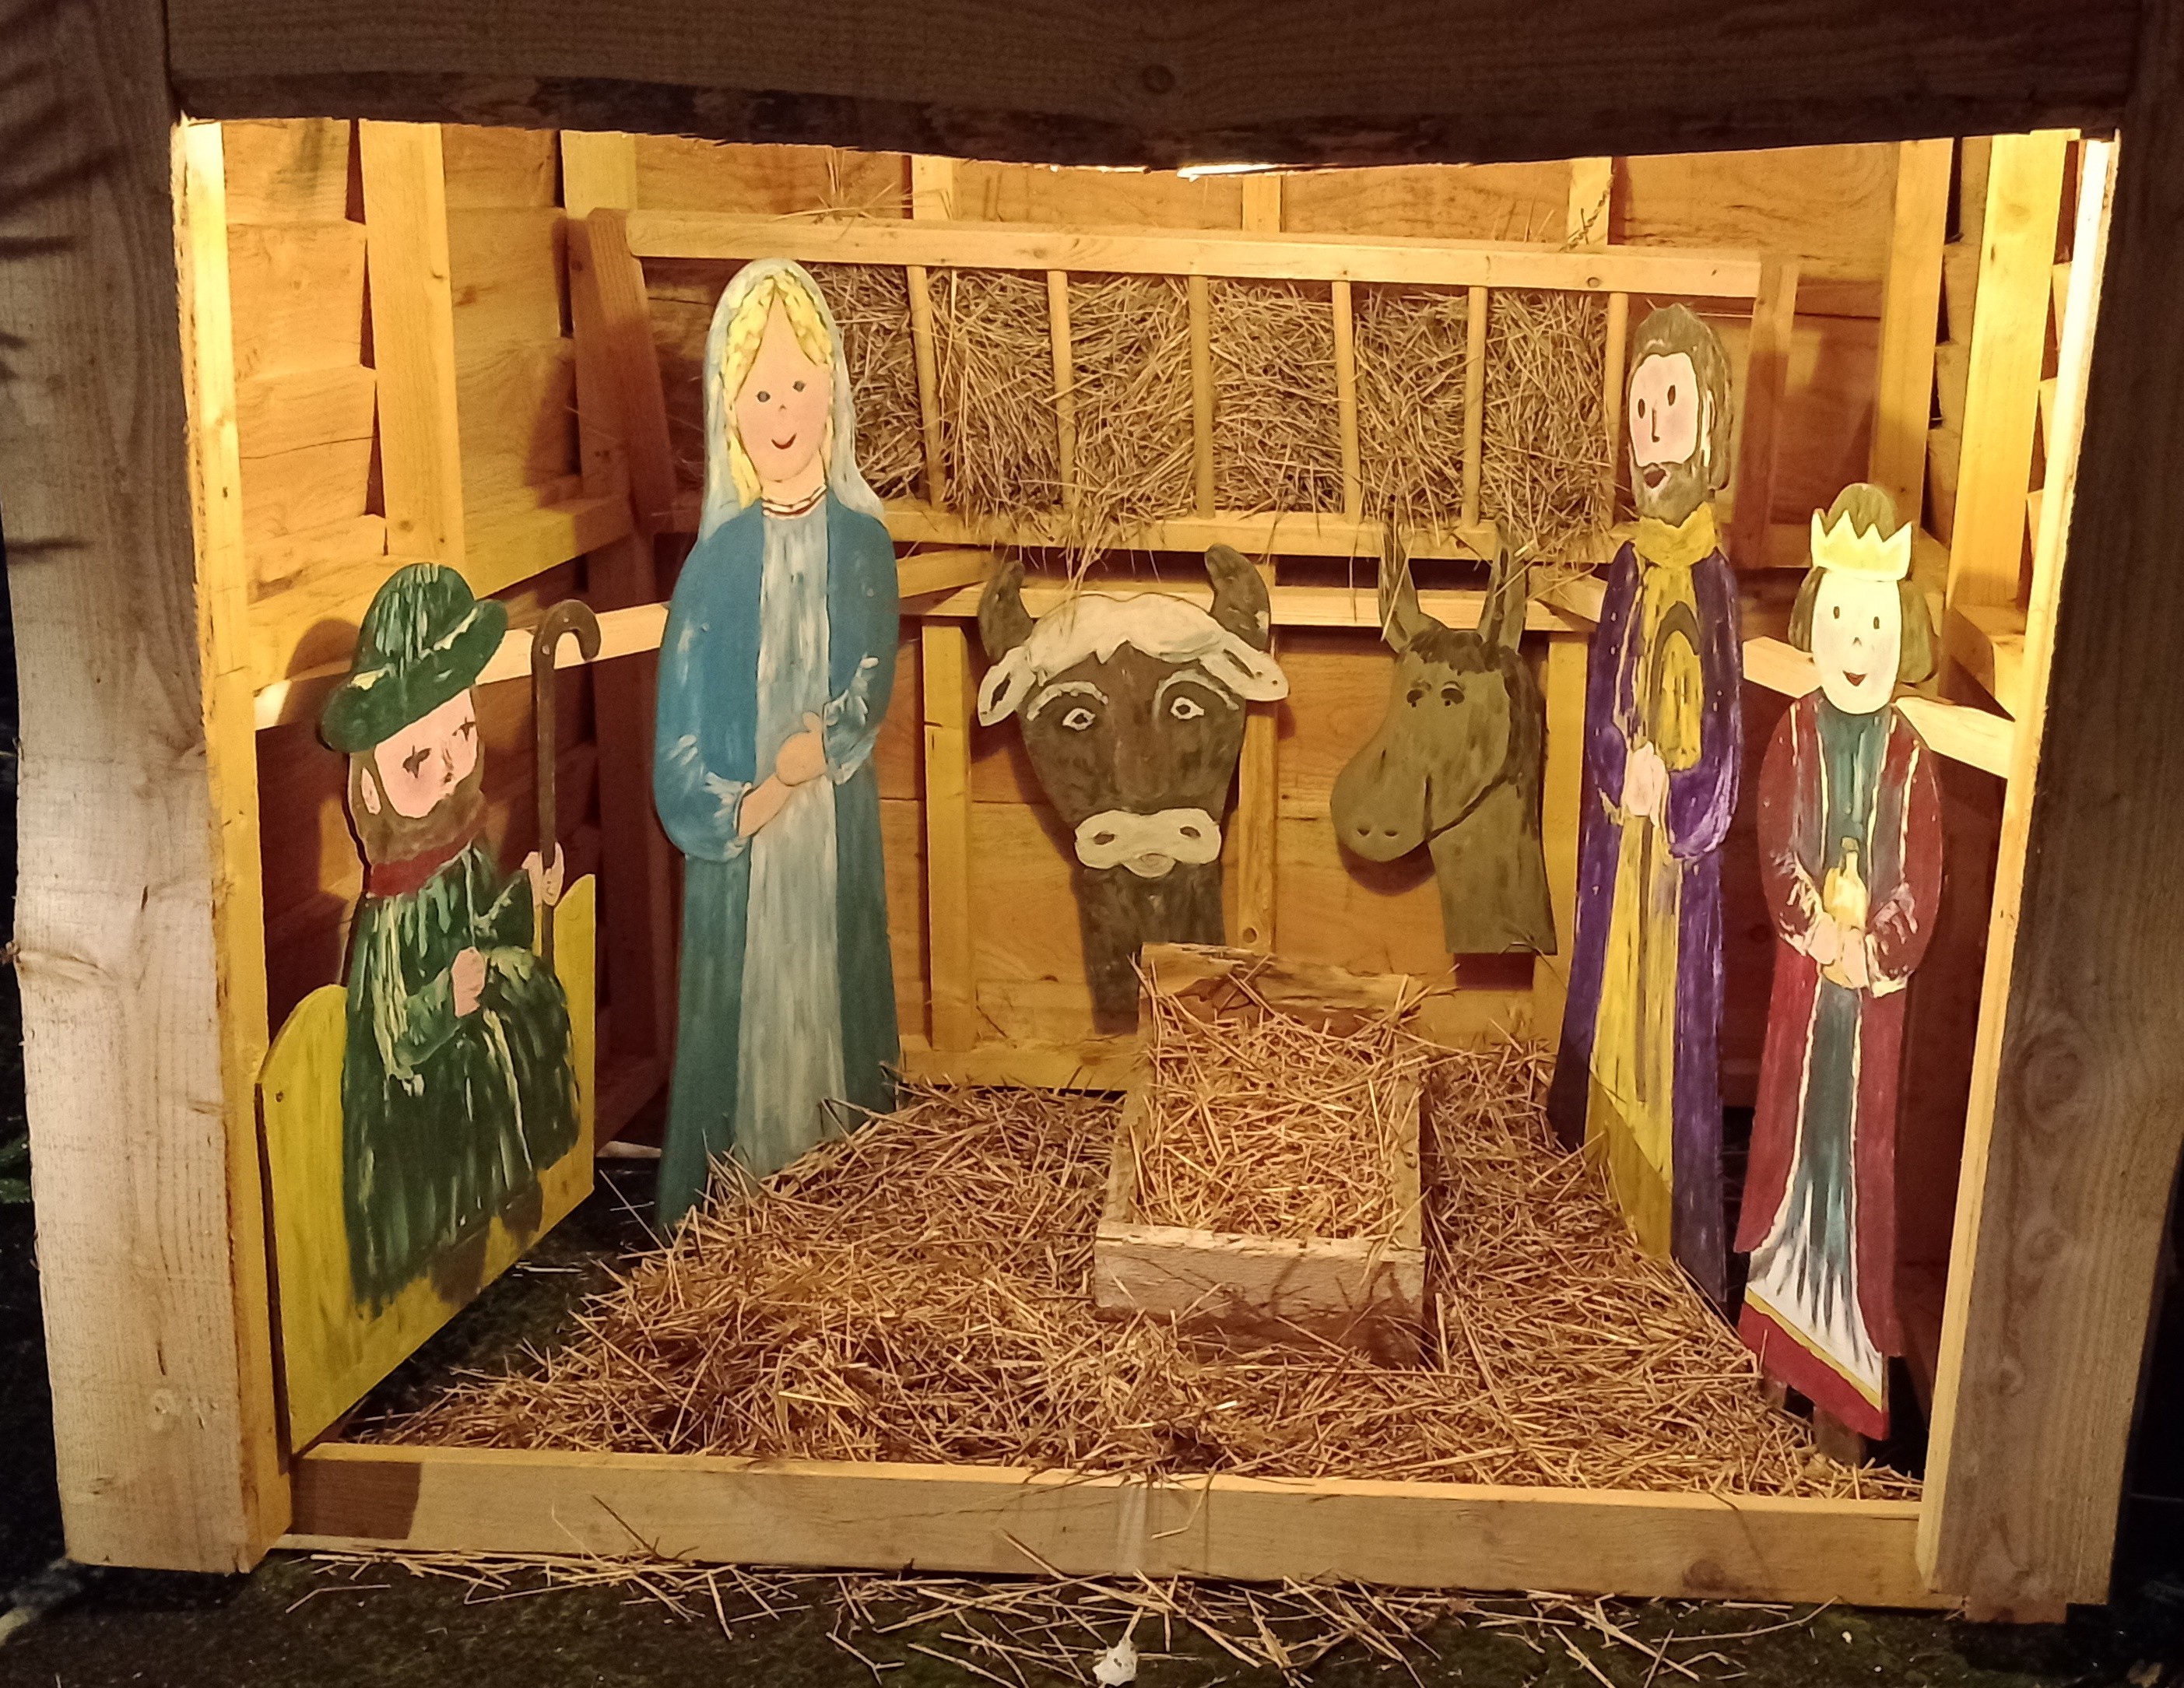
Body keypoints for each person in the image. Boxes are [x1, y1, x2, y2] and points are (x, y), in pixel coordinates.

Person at [652, 259, 900, 1227]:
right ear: (731, 410)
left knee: (830, 995)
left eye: (799, 383)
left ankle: (847, 1192)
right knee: (749, 1011)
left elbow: (871, 668)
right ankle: (738, 1204)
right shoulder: (715, 566)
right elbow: (679, 723)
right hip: (748, 838)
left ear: (831, 393)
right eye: (761, 392)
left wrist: (823, 745)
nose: (783, 410)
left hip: (830, 822)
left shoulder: (861, 542)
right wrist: (747, 802)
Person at [1547, 304, 1744, 1304]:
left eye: (1671, 403)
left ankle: (1666, 1229)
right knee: (1606, 1016)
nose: (1652, 431)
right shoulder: (1628, 569)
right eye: (1639, 408)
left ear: (1709, 422)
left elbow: (1728, 727)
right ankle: (1590, 1201)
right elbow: (1601, 696)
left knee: (1667, 1031)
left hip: (1676, 865)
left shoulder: (1714, 582)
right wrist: (1615, 761)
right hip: (1620, 849)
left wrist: (1686, 794)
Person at [1737, 484, 1943, 1442]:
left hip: (1870, 1001)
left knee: (1857, 1163)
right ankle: (1772, 1351)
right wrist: (1813, 925)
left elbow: (1922, 877)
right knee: (1787, 1158)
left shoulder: (1908, 754)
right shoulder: (1795, 733)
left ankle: (1843, 1387)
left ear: (1901, 635)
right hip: (1806, 982)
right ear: (1813, 623)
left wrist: (1873, 947)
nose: (1855, 646)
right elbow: (1775, 840)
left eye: (1873, 627)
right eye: (1840, 623)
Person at [321, 563, 578, 1310]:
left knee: (512, 1036)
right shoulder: (389, 909)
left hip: (472, 1070)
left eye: (461, 734)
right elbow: (389, 1033)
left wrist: (524, 892)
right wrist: (445, 999)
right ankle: (445, 1263)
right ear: (372, 785)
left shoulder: (463, 854)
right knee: (451, 1136)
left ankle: (509, 1207)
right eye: (416, 759)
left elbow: (486, 929)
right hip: (420, 1097)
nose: (446, 769)